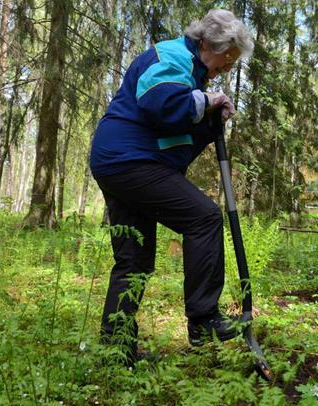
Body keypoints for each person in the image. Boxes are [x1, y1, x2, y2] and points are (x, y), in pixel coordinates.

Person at [89, 9, 254, 365]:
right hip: (130, 159)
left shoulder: (191, 72)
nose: (227, 68)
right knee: (204, 218)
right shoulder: (173, 56)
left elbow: (176, 130)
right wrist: (205, 102)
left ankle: (116, 350)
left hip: (120, 160)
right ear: (209, 44)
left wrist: (210, 122)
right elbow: (160, 106)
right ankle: (203, 320)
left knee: (133, 259)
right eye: (228, 59)